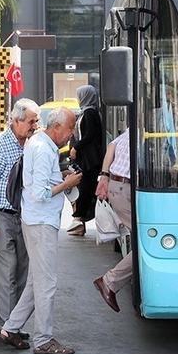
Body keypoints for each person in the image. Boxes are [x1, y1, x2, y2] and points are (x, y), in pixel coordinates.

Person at [0, 107, 82, 354]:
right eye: (70, 128)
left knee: (37, 281)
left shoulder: (40, 145)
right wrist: (67, 183)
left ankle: (10, 328)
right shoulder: (43, 148)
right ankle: (43, 339)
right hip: (41, 221)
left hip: (37, 220)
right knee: (46, 284)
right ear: (56, 127)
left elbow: (38, 182)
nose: (71, 134)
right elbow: (39, 193)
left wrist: (60, 177)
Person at [0, 98, 40, 339]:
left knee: (22, 273)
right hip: (2, 216)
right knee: (7, 274)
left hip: (24, 216)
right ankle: (7, 328)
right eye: (31, 121)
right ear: (16, 121)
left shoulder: (32, 144)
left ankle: (9, 324)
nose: (35, 126)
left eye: (36, 121)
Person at [93, 128, 131, 313]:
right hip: (125, 188)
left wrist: (105, 175)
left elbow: (111, 146)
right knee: (147, 243)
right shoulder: (149, 127)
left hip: (118, 185)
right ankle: (109, 281)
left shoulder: (131, 130)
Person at [67, 85, 104, 236]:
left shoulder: (90, 113)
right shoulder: (86, 112)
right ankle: (79, 221)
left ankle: (79, 219)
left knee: (85, 189)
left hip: (90, 159)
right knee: (84, 187)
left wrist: (76, 148)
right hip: (86, 158)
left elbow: (89, 135)